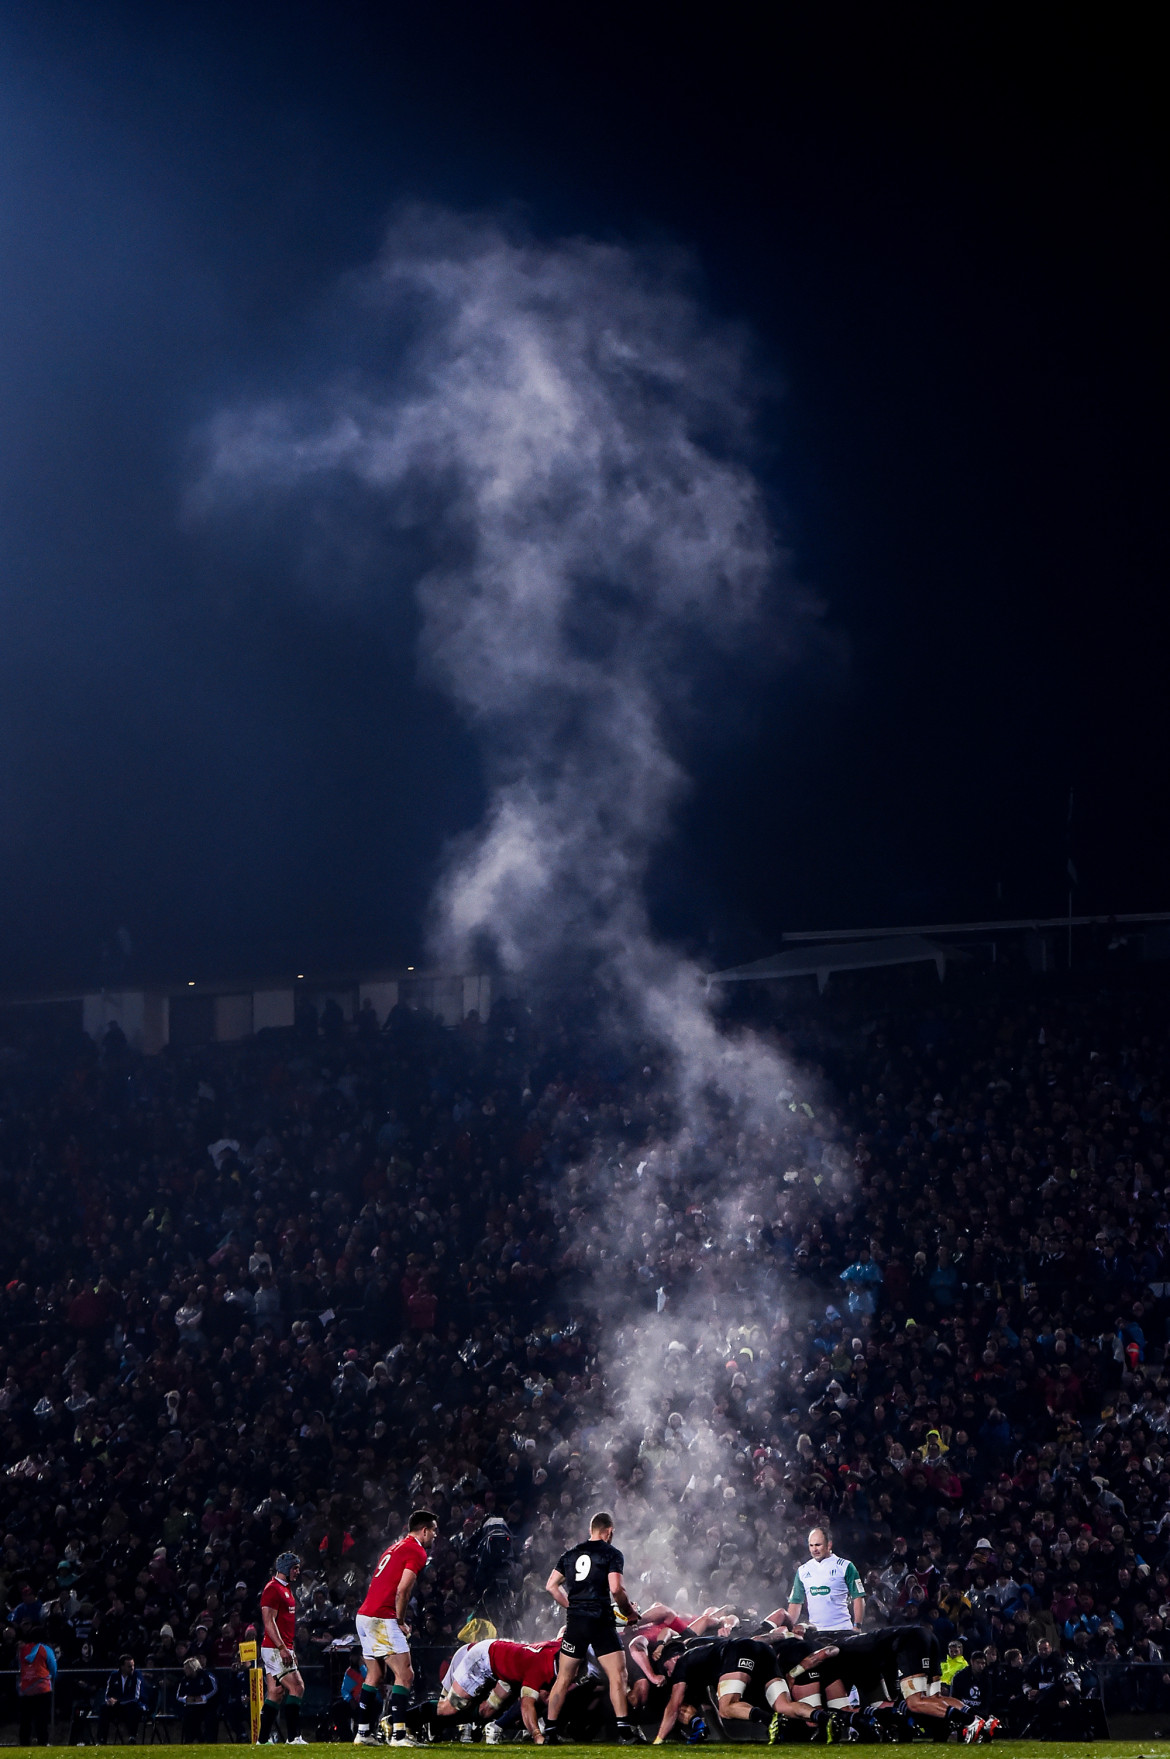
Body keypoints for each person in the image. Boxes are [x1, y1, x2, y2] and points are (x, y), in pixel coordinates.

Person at [543, 1511, 639, 1745]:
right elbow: (616, 1589)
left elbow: (551, 1586)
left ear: (591, 1530)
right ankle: (625, 1733)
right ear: (609, 1531)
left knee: (564, 1677)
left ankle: (550, 1733)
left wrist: (573, 1606)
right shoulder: (612, 1553)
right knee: (618, 1675)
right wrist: (629, 1612)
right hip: (600, 1621)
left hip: (576, 1622)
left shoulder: (570, 1554)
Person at [353, 1507, 439, 1746]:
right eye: (433, 1531)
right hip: (382, 1617)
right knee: (405, 1674)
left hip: (365, 1616)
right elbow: (403, 1590)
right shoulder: (417, 1551)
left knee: (375, 1674)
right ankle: (399, 1736)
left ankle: (363, 1733)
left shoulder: (394, 1547)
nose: (435, 1536)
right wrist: (400, 1622)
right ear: (424, 1530)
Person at [259, 1551, 308, 1745]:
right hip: (274, 1648)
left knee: (276, 1693)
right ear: (285, 1569)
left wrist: (289, 1648)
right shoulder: (273, 1589)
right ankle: (294, 1737)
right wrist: (282, 1648)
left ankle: (262, 1741)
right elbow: (268, 1621)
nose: (298, 1571)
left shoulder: (285, 1589)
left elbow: (284, 1624)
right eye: (295, 1568)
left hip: (280, 1647)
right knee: (297, 1687)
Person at [785, 1526, 865, 1634]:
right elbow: (795, 1602)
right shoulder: (803, 1570)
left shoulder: (846, 1566)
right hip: (815, 1632)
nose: (814, 1549)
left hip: (842, 1630)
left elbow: (858, 1597)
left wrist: (857, 1626)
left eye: (818, 1545)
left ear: (829, 1545)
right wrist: (789, 1629)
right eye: (811, 1545)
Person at [17, 1623, 57, 1746]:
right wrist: (52, 1680)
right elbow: (53, 1667)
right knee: (42, 1718)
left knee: (25, 1720)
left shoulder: (23, 1650)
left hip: (26, 1689)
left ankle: (24, 1743)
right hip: (42, 1688)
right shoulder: (45, 1649)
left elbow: (20, 1667)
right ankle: (43, 1742)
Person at [97, 1654, 147, 1743]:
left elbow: (136, 1697)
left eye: (133, 1666)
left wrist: (118, 1701)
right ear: (122, 1667)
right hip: (118, 1706)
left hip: (134, 1705)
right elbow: (108, 1694)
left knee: (133, 1707)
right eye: (129, 1666)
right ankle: (101, 1738)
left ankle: (132, 1737)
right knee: (104, 1708)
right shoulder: (113, 1675)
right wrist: (109, 1700)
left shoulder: (137, 1675)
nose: (132, 1668)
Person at [176, 1655, 220, 1742]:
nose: (185, 1670)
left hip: (208, 1706)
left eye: (187, 1668)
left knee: (210, 1719)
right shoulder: (184, 1680)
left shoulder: (207, 1676)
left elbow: (215, 1689)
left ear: (193, 1667)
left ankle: (210, 1741)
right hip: (192, 1707)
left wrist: (203, 1697)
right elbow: (178, 1696)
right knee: (188, 1718)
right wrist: (185, 1699)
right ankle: (193, 1740)